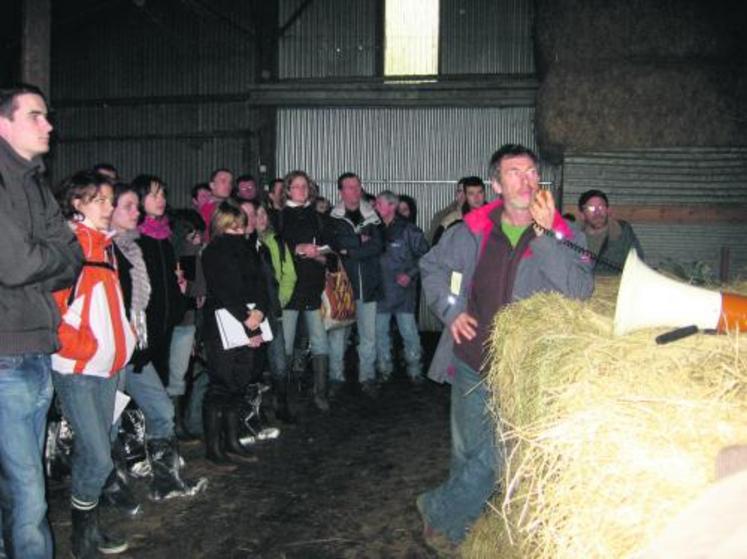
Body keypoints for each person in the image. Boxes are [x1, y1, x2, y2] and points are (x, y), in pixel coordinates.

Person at [416, 144, 594, 552]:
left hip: (527, 367)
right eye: (515, 172)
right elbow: (432, 267)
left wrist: (549, 235)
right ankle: (458, 530)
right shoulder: (473, 229)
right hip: (472, 358)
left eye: (532, 172)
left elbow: (580, 291)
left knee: (505, 450)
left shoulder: (568, 234)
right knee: (468, 450)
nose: (527, 180)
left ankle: (438, 507)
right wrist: (451, 310)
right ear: (496, 183)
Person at [0, 84, 83, 559]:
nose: (49, 125)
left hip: (35, 347)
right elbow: (13, 263)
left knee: (25, 479)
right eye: (36, 115)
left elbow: (72, 257)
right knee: (29, 486)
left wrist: (45, 254)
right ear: (5, 122)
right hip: (7, 350)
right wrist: (50, 254)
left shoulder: (33, 181)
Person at [52, 171, 135, 557]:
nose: (108, 207)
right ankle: (81, 536)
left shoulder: (104, 247)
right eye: (98, 200)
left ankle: (88, 528)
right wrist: (82, 348)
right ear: (77, 204)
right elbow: (55, 310)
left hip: (107, 368)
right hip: (79, 370)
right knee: (99, 455)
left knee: (95, 453)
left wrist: (125, 341)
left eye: (108, 200)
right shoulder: (69, 246)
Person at [125, 175, 206, 501]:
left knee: (158, 398)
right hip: (143, 333)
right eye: (154, 194)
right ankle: (135, 458)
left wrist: (180, 291)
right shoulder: (135, 240)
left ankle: (159, 464)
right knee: (139, 399)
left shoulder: (163, 237)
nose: (161, 198)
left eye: (163, 193)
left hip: (165, 327)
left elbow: (171, 277)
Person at [201, 201, 269, 466]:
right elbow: (224, 290)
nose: (239, 229)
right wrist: (248, 318)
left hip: (249, 318)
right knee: (221, 383)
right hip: (224, 323)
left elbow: (260, 283)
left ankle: (231, 439)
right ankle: (214, 446)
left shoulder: (248, 249)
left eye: (240, 224)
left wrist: (259, 312)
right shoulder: (214, 251)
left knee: (240, 382)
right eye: (233, 224)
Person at [277, 170, 331, 411]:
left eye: (305, 186)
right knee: (286, 343)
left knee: (319, 341)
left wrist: (319, 254)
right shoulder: (279, 217)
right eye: (297, 186)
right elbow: (274, 247)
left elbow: (331, 249)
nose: (302, 190)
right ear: (287, 190)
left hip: (312, 286)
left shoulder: (317, 216)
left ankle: (320, 393)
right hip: (289, 290)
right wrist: (297, 248)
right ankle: (284, 395)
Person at [327, 172, 384, 396]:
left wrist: (349, 249)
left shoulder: (373, 216)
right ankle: (335, 377)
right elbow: (334, 245)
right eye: (349, 187)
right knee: (338, 336)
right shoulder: (333, 218)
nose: (354, 191)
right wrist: (360, 241)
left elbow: (378, 246)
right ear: (340, 191)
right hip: (342, 286)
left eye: (357, 186)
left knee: (368, 336)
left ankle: (367, 377)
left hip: (368, 285)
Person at [374, 191, 430, 384]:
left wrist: (410, 274)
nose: (375, 207)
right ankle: (384, 369)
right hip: (380, 291)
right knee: (379, 333)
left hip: (403, 293)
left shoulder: (409, 230)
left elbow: (427, 256)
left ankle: (415, 371)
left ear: (391, 206)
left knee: (409, 332)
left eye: (379, 203)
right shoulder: (374, 229)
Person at [167, 209, 206, 439]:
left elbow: (195, 293)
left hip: (187, 322)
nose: (198, 240)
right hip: (179, 322)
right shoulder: (184, 255)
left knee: (180, 374)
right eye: (192, 236)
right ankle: (175, 423)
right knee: (176, 374)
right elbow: (193, 291)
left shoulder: (188, 254)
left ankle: (179, 421)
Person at [256, 204, 297, 423]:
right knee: (256, 364)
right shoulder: (246, 243)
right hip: (253, 312)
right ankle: (258, 409)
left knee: (279, 362)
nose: (261, 218)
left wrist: (280, 299)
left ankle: (281, 404)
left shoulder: (277, 241)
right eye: (256, 214)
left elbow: (290, 274)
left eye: (264, 214)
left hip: (273, 310)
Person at [578, 189, 644, 274]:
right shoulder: (573, 238)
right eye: (591, 208)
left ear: (608, 210)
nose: (597, 212)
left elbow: (637, 263)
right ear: (582, 215)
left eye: (601, 207)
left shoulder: (623, 232)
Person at [432, 176, 486, 245]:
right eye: (471, 193)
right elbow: (436, 245)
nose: (476, 197)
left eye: (480, 192)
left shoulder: (495, 218)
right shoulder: (450, 220)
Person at [427, 178, 466, 243]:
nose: (462, 196)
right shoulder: (441, 216)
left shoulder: (481, 216)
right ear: (456, 193)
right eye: (459, 191)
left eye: (466, 192)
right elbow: (431, 241)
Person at [199, 168, 233, 243]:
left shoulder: (233, 206)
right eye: (223, 181)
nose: (228, 185)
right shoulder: (207, 208)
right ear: (212, 185)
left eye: (230, 182)